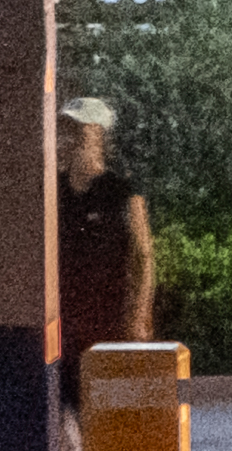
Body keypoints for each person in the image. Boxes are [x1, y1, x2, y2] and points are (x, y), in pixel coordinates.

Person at [51, 96, 160, 413]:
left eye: (77, 131)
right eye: (66, 131)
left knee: (109, 411)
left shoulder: (121, 191)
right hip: (66, 323)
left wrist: (140, 314)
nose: (68, 139)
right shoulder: (54, 190)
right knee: (68, 408)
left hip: (111, 321)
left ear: (96, 136)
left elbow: (144, 255)